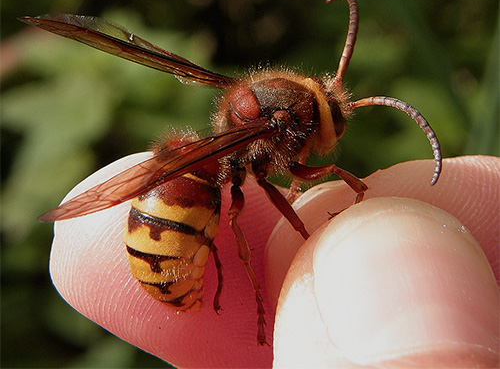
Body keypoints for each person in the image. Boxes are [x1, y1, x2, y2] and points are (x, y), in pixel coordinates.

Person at [48, 155, 499, 368]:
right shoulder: (257, 145)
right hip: (167, 228)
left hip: (169, 216)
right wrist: (309, 238)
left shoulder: (245, 151)